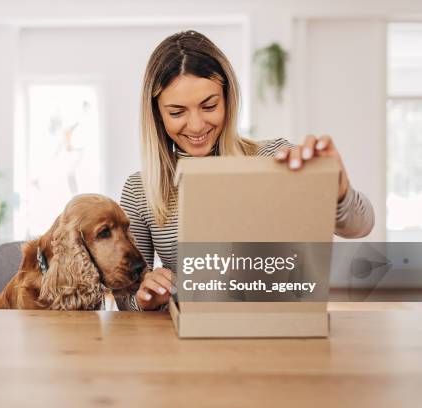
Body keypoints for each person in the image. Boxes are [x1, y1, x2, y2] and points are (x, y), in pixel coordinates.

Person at [115, 30, 374, 312]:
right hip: (188, 342)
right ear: (157, 114)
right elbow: (125, 299)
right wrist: (146, 299)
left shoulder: (271, 158)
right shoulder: (140, 189)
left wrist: (336, 191)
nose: (197, 125)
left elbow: (361, 225)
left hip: (272, 332)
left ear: (228, 98)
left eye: (209, 106)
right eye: (177, 112)